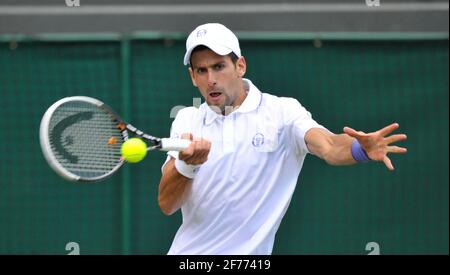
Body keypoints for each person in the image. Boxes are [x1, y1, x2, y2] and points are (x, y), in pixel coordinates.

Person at [158, 23, 407, 255]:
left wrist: (359, 148)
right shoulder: (187, 120)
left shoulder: (282, 113)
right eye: (201, 70)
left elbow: (329, 146)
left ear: (240, 66)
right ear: (193, 77)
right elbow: (167, 204)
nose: (210, 78)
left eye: (219, 66)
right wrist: (187, 166)